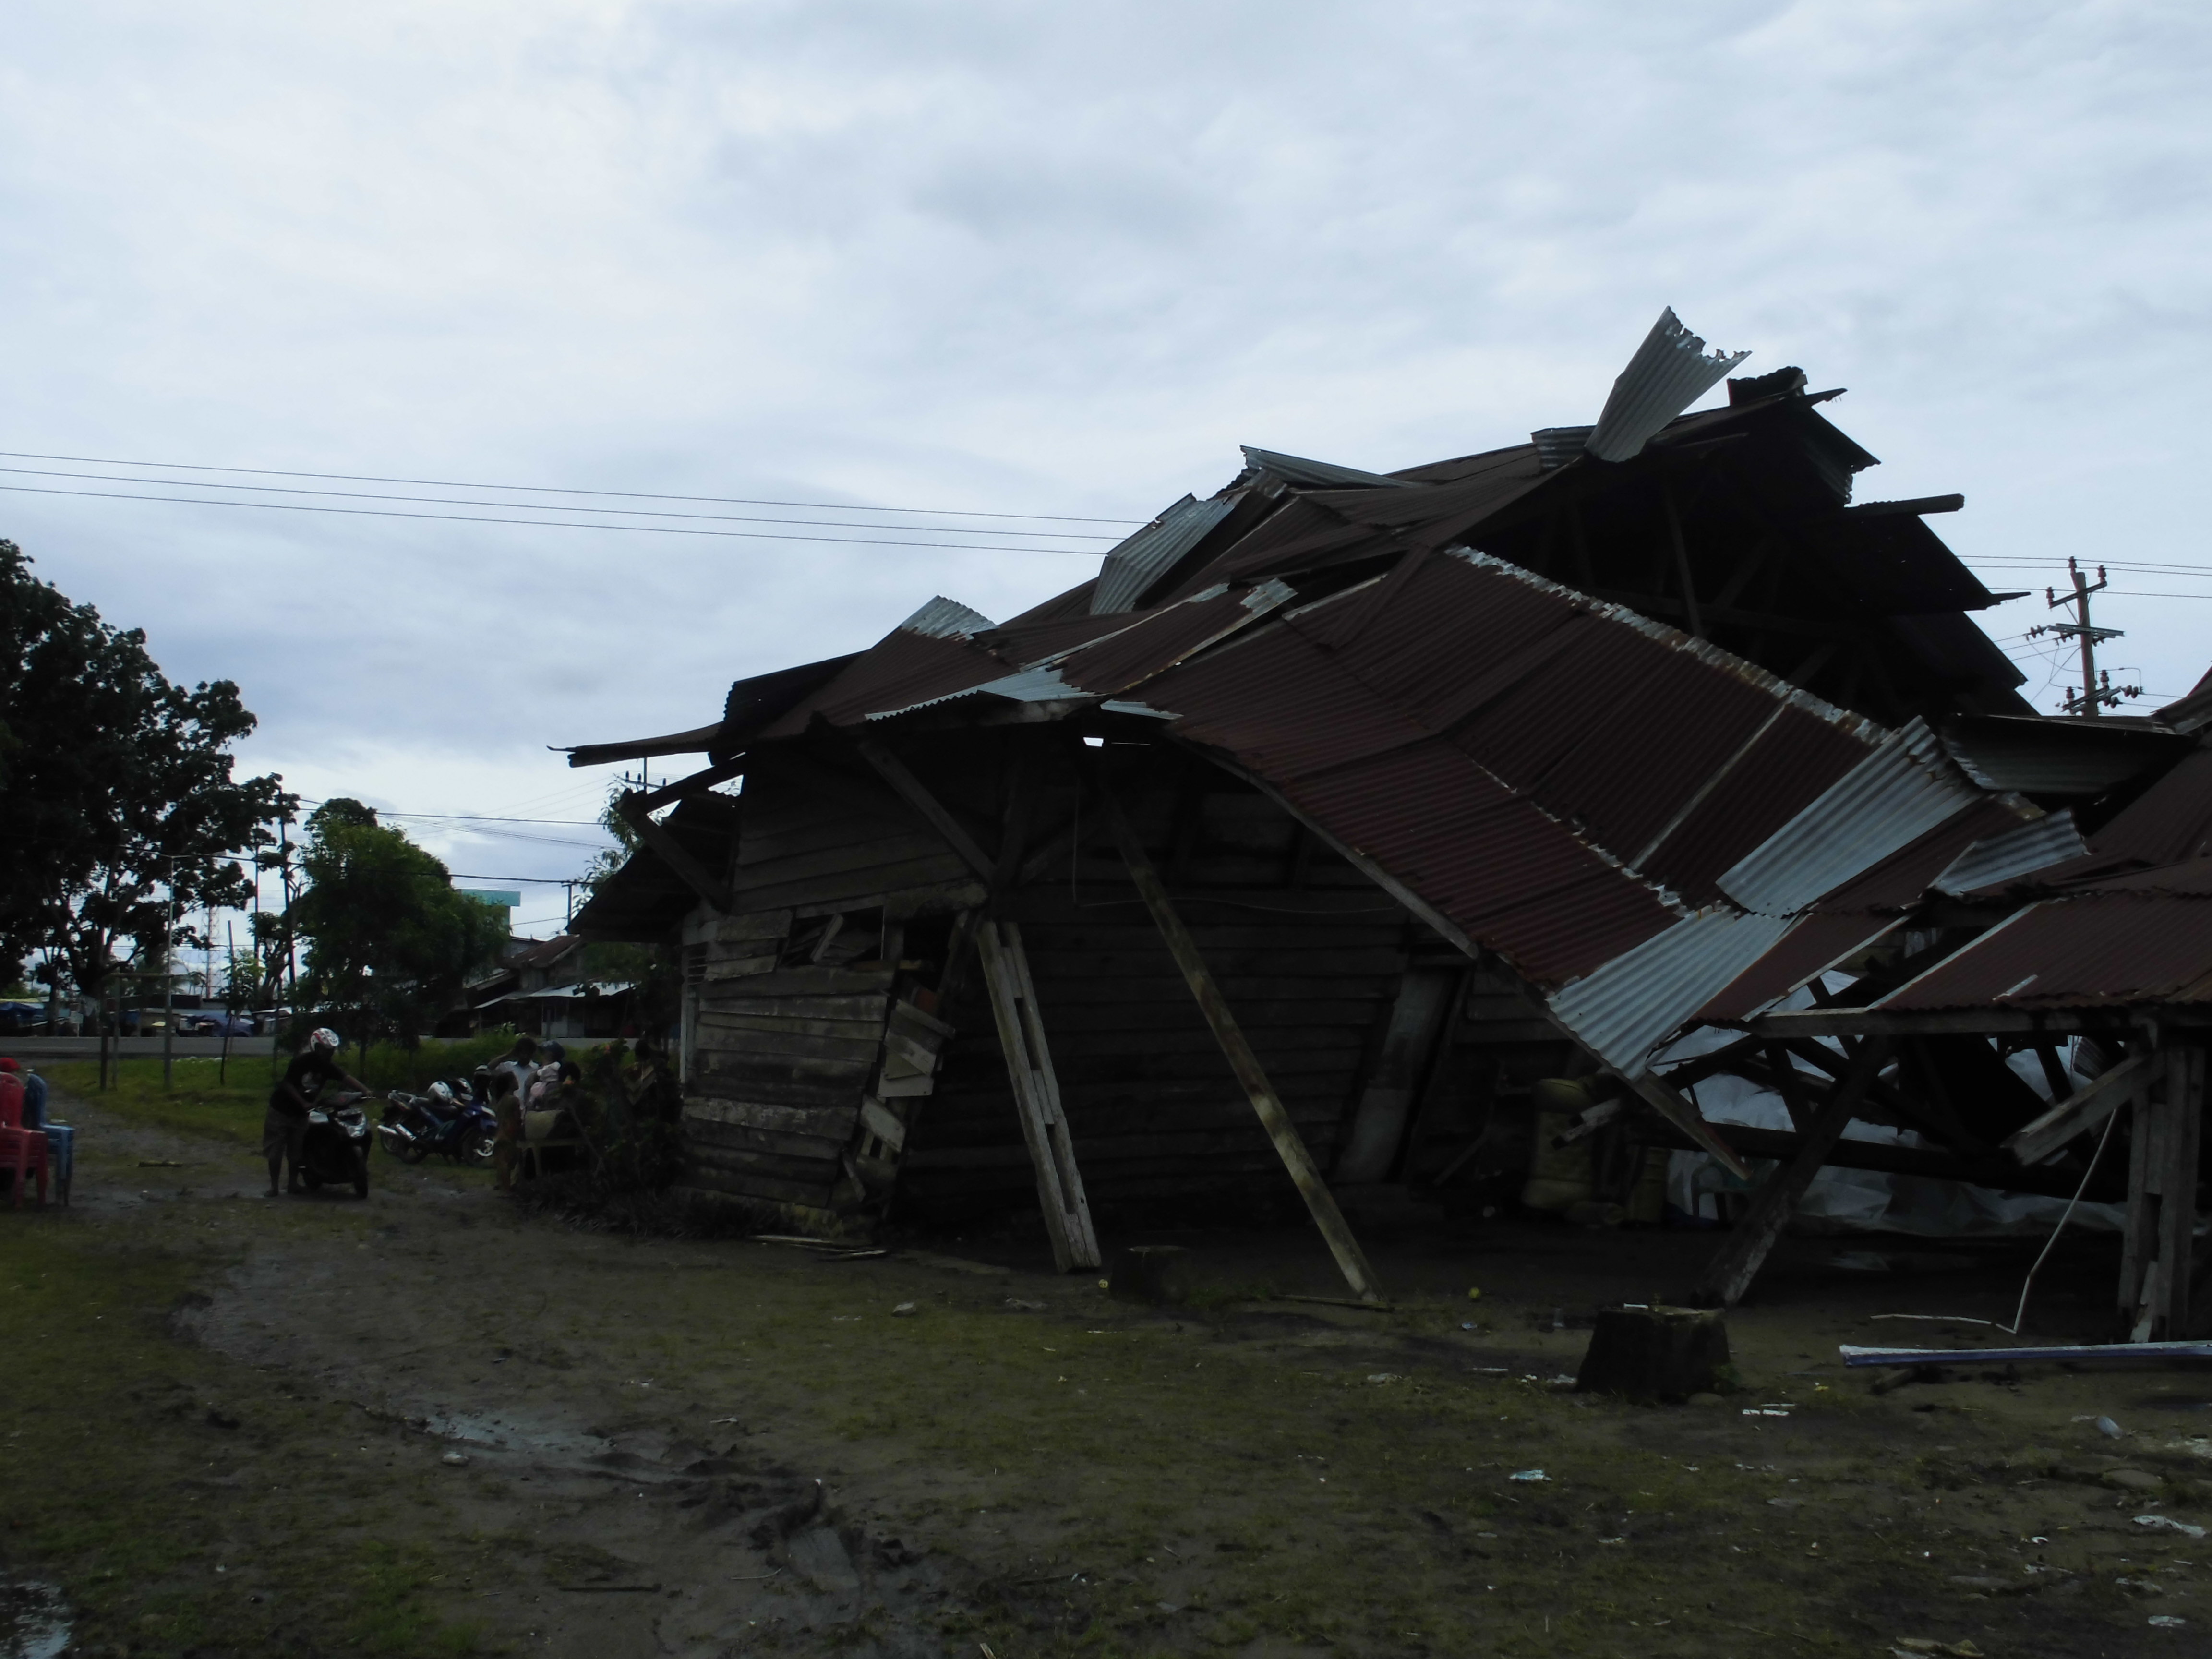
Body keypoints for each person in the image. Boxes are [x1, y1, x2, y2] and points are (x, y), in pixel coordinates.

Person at [265, 1028, 369, 1197]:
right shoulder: (301, 1062)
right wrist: (303, 1102)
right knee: (275, 1151)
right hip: (281, 1111)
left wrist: (365, 1091)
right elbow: (287, 1084)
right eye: (326, 1049)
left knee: (296, 1151)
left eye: (332, 1050)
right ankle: (274, 1187)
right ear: (317, 1047)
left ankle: (293, 1184)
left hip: (301, 1114)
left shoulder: (327, 1066)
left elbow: (346, 1078)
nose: (329, 1053)